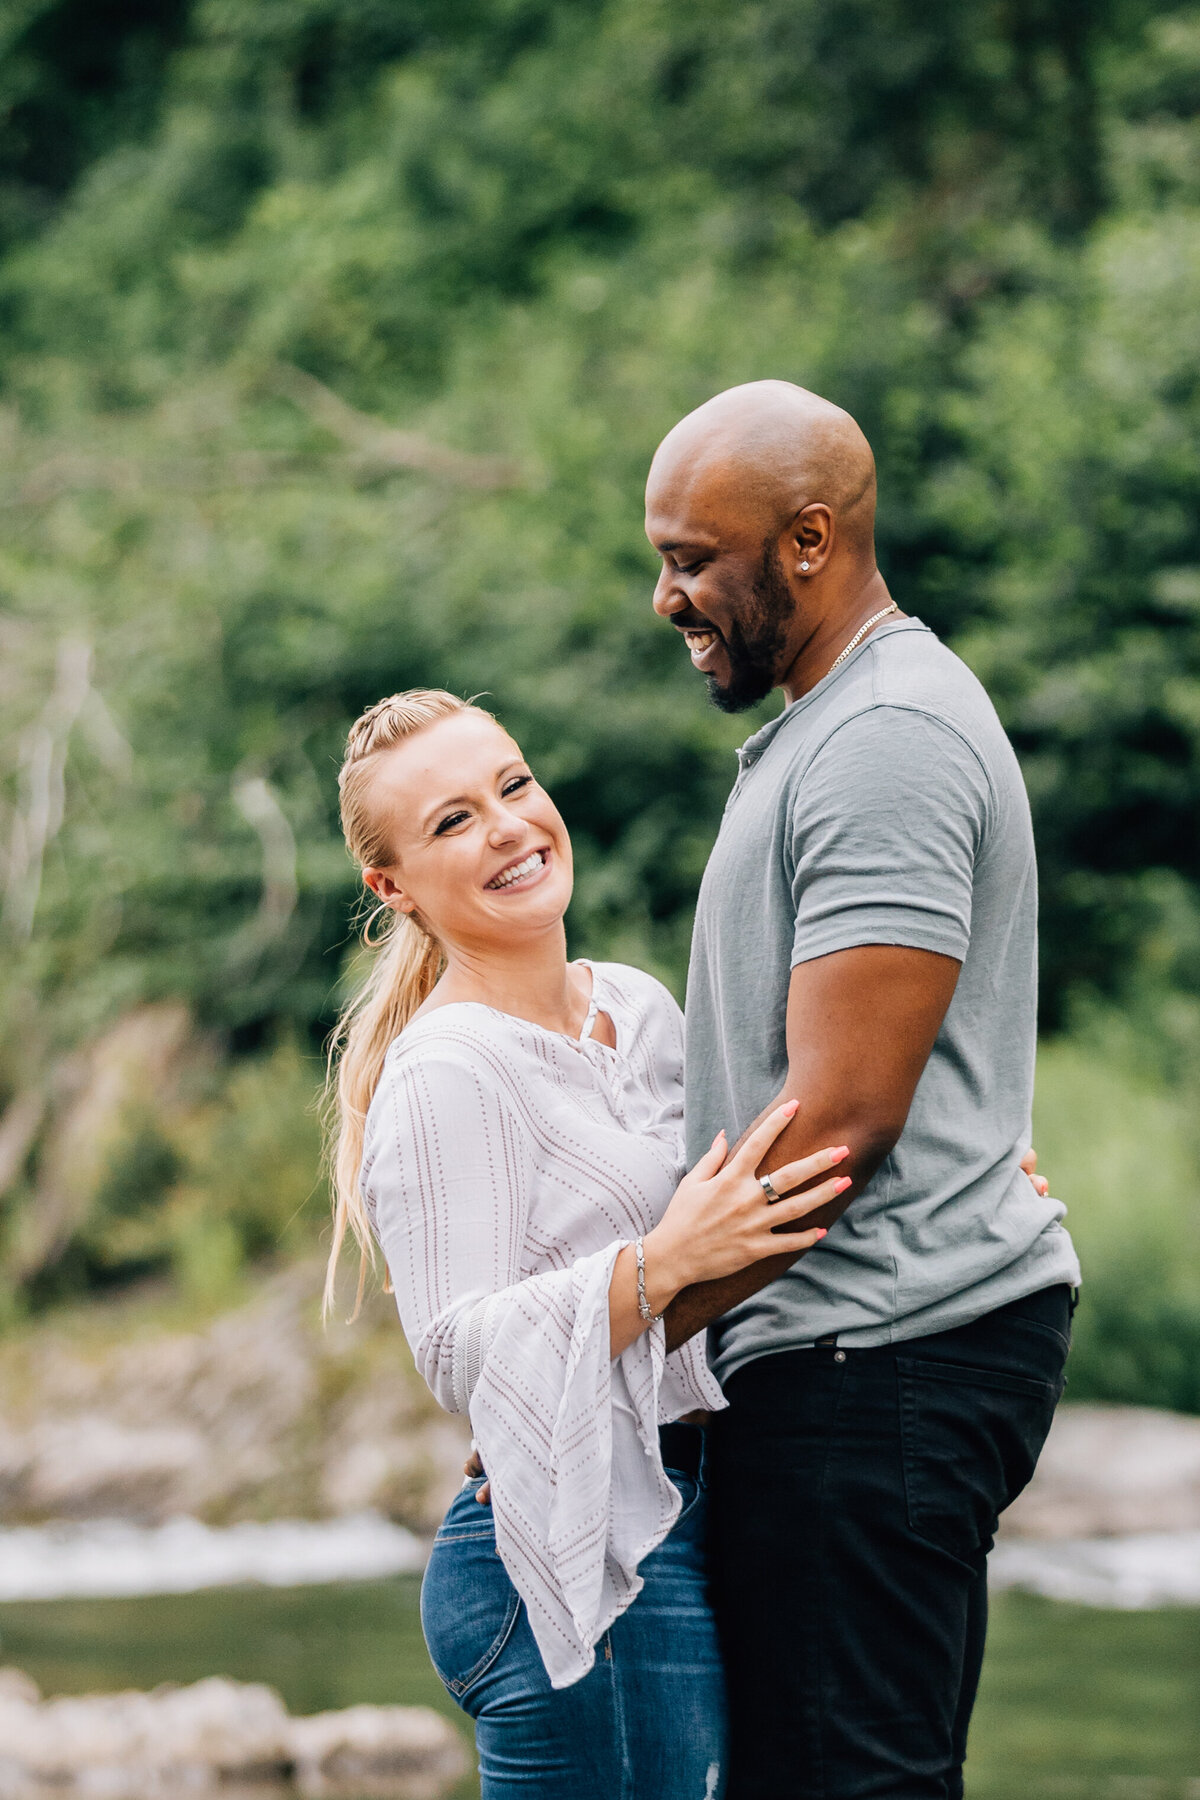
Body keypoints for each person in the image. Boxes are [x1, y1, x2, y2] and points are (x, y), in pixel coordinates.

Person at [644, 379, 1082, 1800]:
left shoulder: (886, 740)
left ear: (812, 540)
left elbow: (836, 1128)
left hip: (872, 1360)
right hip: (858, 1357)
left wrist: (616, 1353)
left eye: (692, 559)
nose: (668, 598)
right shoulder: (837, 726)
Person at [321, 687, 851, 1799]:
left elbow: (762, 1195)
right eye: (451, 822)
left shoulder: (641, 1009)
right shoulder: (449, 1069)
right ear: (393, 888)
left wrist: (954, 1180)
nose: (508, 825)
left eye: (512, 786)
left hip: (697, 1501)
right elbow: (454, 1349)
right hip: (560, 1552)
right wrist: (661, 1262)